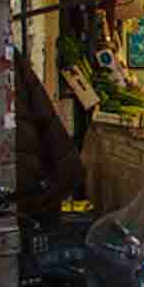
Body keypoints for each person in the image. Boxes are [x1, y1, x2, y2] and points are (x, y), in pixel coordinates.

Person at [15, 50, 86, 227]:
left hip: (26, 180)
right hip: (27, 178)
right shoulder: (15, 66)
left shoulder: (14, 65)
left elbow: (45, 117)